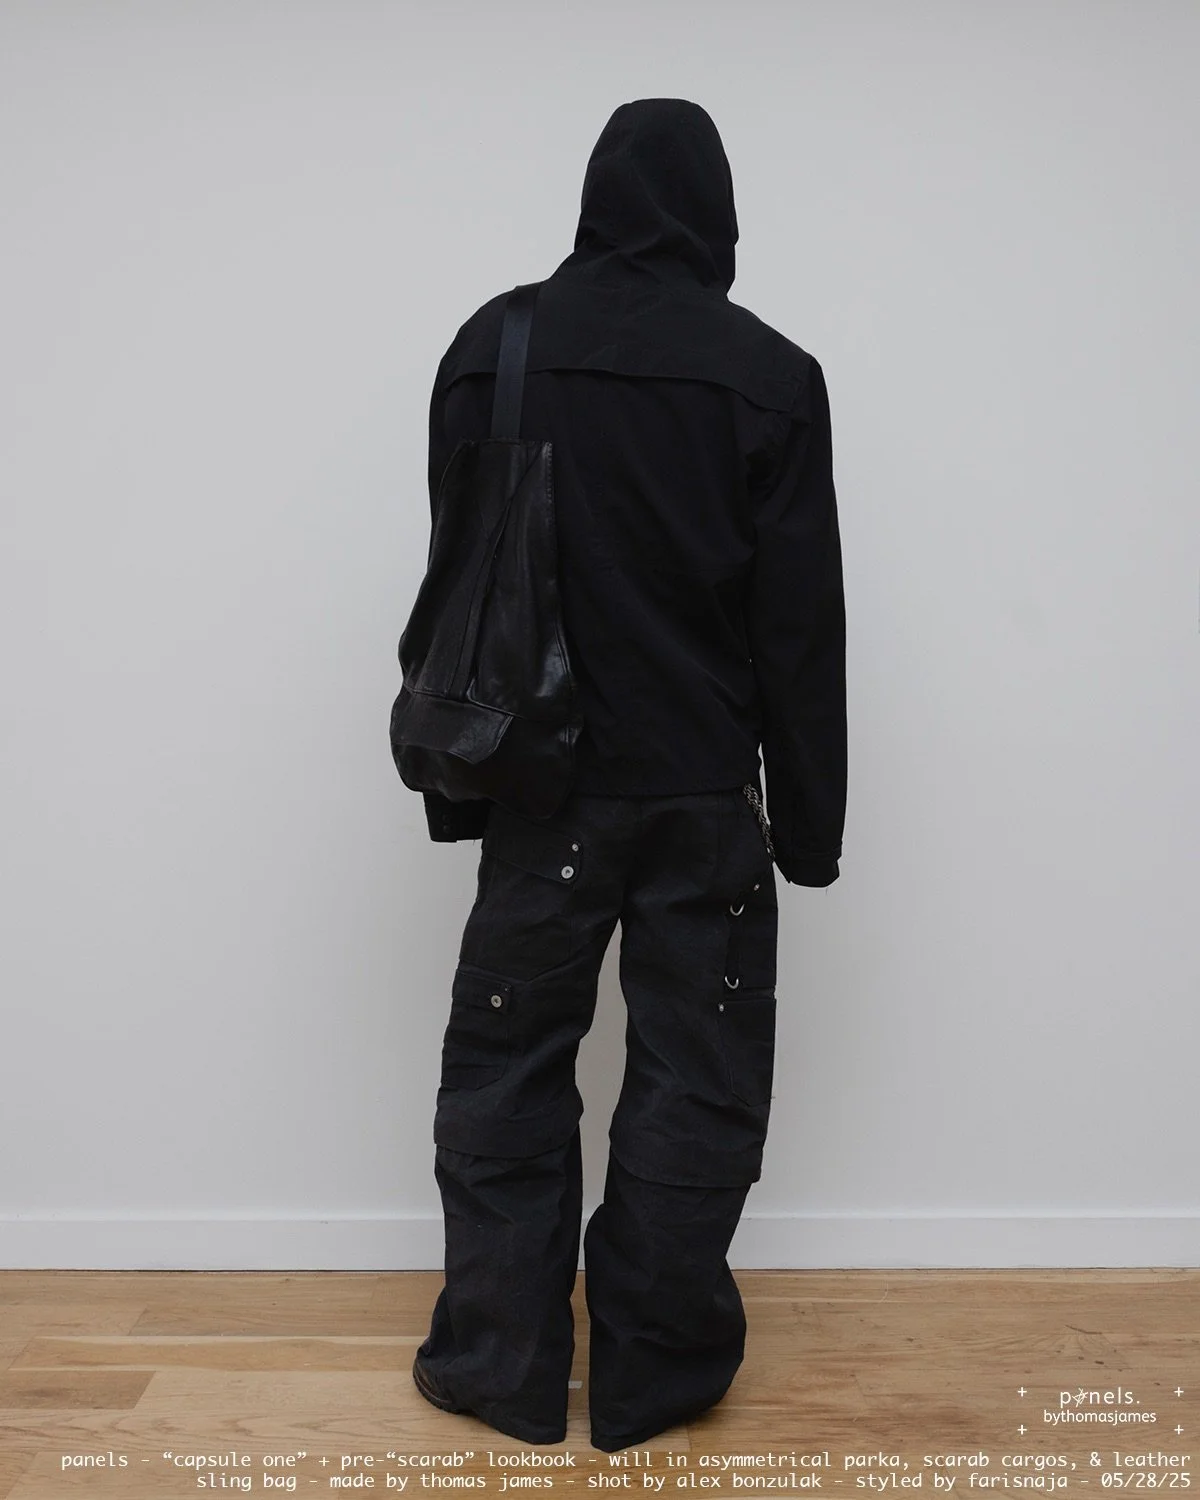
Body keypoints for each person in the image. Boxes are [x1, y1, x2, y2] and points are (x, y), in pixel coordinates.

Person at [407, 97, 847, 1453]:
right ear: (717, 213)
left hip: (540, 791)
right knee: (696, 1080)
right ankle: (657, 1378)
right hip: (704, 797)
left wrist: (459, 792)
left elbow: (462, 581)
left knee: (507, 1072)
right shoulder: (770, 376)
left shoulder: (495, 346)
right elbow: (800, 630)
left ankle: (502, 1365)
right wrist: (809, 829)